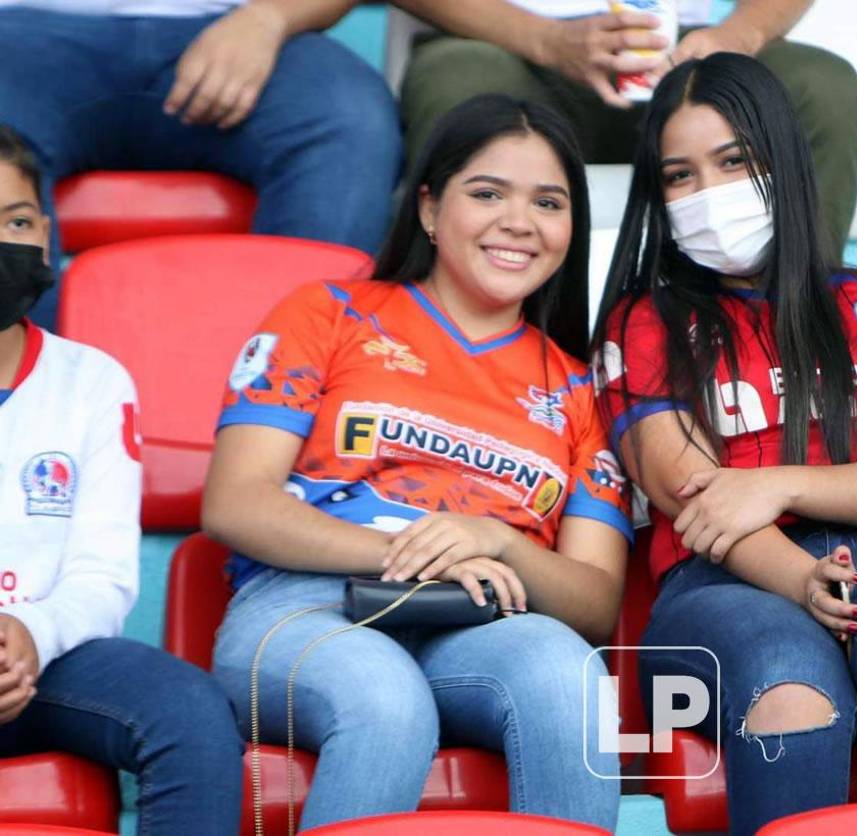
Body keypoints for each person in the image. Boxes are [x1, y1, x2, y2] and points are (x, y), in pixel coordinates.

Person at [591, 54, 857, 835]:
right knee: (790, 681)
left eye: (734, 161)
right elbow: (697, 499)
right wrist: (802, 579)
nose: (708, 195)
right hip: (720, 591)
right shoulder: (639, 324)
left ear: (782, 158)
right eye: (679, 177)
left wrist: (781, 484)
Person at [202, 94, 632, 830]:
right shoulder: (328, 313)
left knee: (573, 684)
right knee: (383, 696)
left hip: (481, 622)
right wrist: (417, 554)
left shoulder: (581, 390)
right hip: (304, 602)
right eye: (488, 193)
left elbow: (593, 605)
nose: (519, 222)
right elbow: (235, 503)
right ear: (430, 210)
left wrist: (495, 541)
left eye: (549, 202)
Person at [0, 126, 244, 834]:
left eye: (16, 222)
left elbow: (103, 579)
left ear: (46, 233)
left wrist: (27, 632)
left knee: (188, 713)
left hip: (46, 660)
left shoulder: (92, 381)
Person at [0, 0, 402, 328]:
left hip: (246, 26)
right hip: (22, 35)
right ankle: (21, 395)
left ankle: (289, 386)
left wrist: (271, 17)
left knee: (347, 122)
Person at [395, 0, 857, 260]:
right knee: (455, 80)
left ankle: (802, 321)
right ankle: (447, 332)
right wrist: (545, 39)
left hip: (682, 44)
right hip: (505, 39)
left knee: (821, 88)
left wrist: (738, 37)